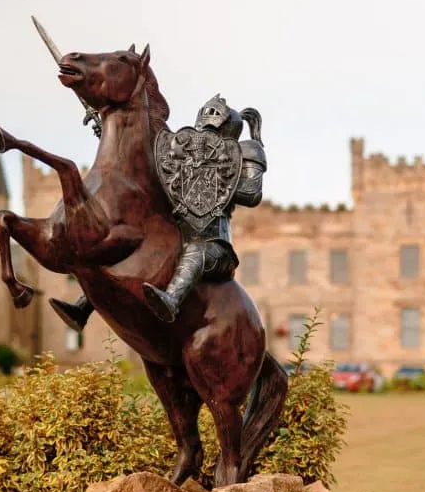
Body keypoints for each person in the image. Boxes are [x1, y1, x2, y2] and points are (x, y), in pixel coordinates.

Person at [49, 94, 267, 330]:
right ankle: (83, 307)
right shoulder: (183, 148)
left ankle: (171, 300)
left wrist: (215, 174)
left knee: (196, 252)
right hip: (177, 236)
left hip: (215, 245)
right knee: (128, 243)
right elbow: (154, 168)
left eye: (215, 117)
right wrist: (109, 133)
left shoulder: (244, 151)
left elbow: (251, 194)